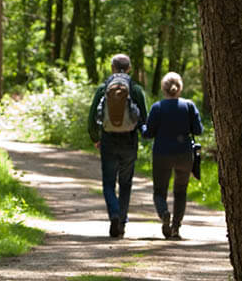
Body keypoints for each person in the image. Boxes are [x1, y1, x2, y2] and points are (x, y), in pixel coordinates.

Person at [87, 54, 148, 238]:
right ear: (129, 68)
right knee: (126, 183)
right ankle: (121, 220)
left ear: (112, 68)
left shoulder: (103, 88)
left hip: (108, 140)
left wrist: (95, 138)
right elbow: (144, 118)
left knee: (108, 183)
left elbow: (92, 118)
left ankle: (114, 214)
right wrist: (143, 135)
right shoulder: (136, 90)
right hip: (129, 141)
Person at [143, 72, 203, 239]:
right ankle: (176, 228)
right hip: (184, 154)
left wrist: (142, 128)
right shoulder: (189, 106)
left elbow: (148, 133)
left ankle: (164, 214)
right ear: (179, 88)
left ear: (163, 89)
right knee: (180, 192)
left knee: (159, 192)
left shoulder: (158, 107)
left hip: (162, 154)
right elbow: (198, 130)